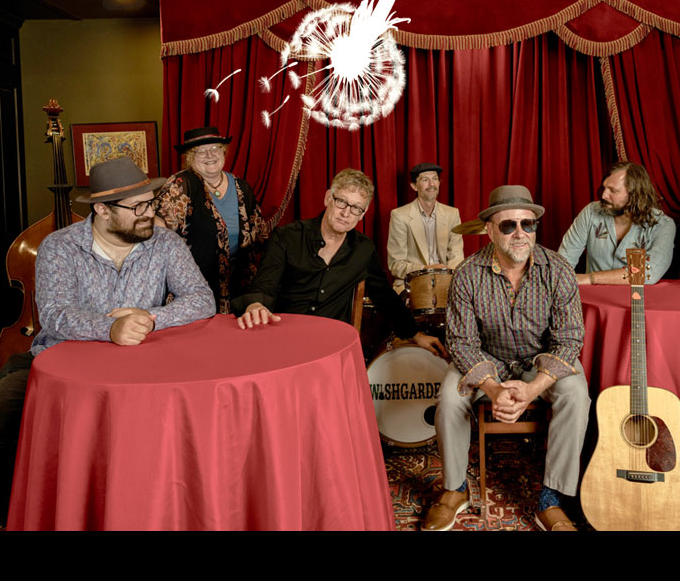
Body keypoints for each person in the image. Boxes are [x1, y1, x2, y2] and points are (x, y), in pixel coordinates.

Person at [0, 157, 216, 526]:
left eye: (150, 202)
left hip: (145, 358)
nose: (149, 213)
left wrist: (149, 318)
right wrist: (108, 329)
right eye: (137, 206)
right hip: (59, 359)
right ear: (103, 211)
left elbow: (202, 300)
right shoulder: (59, 247)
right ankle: (18, 517)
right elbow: (55, 313)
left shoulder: (165, 242)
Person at [423, 185, 590, 531]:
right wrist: (494, 389)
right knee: (450, 395)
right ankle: (454, 489)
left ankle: (552, 497)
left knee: (576, 393)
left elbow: (569, 339)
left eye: (527, 224)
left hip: (538, 364)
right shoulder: (467, 274)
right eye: (508, 225)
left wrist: (533, 388)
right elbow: (462, 342)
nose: (519, 233)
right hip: (487, 362)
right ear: (489, 229)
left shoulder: (557, 270)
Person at [232, 168, 446, 357]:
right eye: (341, 201)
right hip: (284, 339)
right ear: (328, 198)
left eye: (356, 208)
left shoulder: (363, 249)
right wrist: (256, 304)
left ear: (362, 215)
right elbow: (265, 284)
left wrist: (415, 334)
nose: (346, 213)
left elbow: (384, 297)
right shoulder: (287, 237)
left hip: (331, 346)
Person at [154, 126, 270, 314]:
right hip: (193, 289)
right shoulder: (181, 185)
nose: (210, 155)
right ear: (190, 157)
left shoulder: (242, 188)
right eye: (201, 151)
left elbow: (260, 237)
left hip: (238, 287)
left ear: (223, 152)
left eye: (215, 148)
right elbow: (158, 238)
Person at [558, 161, 675, 285]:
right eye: (604, 187)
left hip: (636, 302)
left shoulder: (662, 224)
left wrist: (590, 278)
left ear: (634, 195)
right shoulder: (591, 212)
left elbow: (650, 273)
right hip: (593, 299)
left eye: (613, 191)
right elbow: (563, 261)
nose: (604, 195)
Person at [386, 162, 464, 291]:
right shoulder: (399, 215)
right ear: (414, 186)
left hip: (444, 281)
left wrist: (445, 276)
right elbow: (396, 264)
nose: (431, 184)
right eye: (425, 180)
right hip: (412, 282)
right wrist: (425, 270)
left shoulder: (452, 214)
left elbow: (456, 256)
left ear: (439, 183)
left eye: (434, 179)